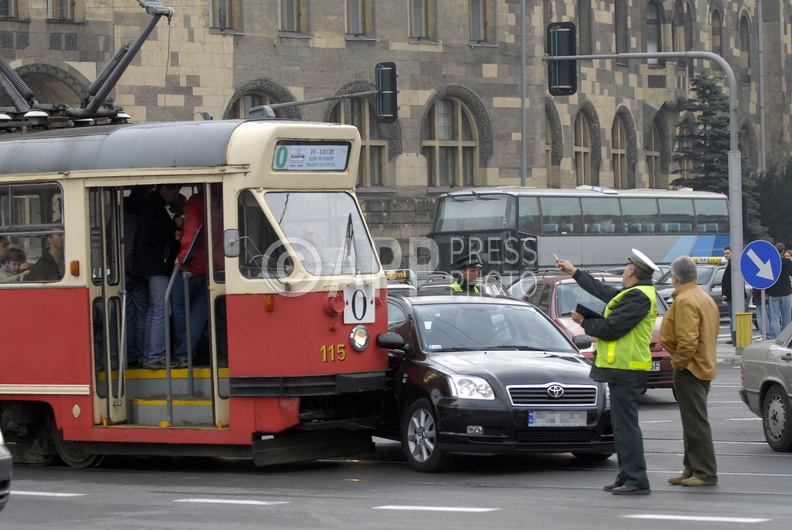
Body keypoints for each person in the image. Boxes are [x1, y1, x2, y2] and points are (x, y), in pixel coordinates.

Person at [556, 249, 658, 496]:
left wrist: (584, 322)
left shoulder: (638, 297)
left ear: (631, 271)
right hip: (620, 369)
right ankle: (626, 475)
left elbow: (611, 328)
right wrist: (575, 272)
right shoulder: (634, 294)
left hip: (627, 369)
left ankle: (636, 479)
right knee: (622, 427)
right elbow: (604, 293)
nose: (624, 273)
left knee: (627, 428)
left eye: (625, 270)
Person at [660, 256, 719, 487]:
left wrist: (679, 363)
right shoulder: (702, 297)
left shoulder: (685, 300)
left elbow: (688, 340)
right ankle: (691, 468)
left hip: (691, 369)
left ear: (674, 277)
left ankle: (704, 472)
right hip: (703, 365)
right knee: (692, 421)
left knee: (695, 423)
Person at [130, 184, 183, 369]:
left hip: (151, 265)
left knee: (153, 311)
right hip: (157, 265)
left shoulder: (152, 205)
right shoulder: (153, 206)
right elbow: (150, 234)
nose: (175, 196)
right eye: (174, 191)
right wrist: (174, 224)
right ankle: (155, 355)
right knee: (161, 309)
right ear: (163, 189)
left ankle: (147, 356)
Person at [172, 187, 210, 368]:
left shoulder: (196, 201)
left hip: (190, 266)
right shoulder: (218, 199)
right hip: (211, 266)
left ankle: (182, 353)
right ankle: (188, 352)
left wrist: (182, 259)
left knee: (180, 309)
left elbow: (193, 231)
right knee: (199, 314)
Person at [766, 243, 792, 340]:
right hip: (786, 292)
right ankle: (786, 339)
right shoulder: (788, 262)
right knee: (787, 318)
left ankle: (778, 338)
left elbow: (767, 278)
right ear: (783, 251)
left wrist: (766, 292)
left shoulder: (771, 262)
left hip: (773, 292)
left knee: (775, 318)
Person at [721, 246, 734, 344]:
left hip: (732, 296)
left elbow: (730, 282)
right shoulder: (730, 264)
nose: (726, 255)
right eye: (725, 253)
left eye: (727, 253)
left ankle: (734, 337)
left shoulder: (732, 265)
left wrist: (726, 294)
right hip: (731, 295)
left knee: (732, 316)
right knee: (732, 316)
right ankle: (733, 337)